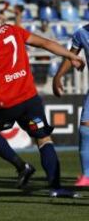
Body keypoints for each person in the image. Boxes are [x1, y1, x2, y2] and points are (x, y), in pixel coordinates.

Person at [0, 0, 84, 197]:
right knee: (44, 139)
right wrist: (72, 56)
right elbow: (46, 43)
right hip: (30, 99)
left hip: (6, 103)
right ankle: (56, 188)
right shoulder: (14, 30)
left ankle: (21, 166)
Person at [53, 24, 89, 186]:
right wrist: (58, 76)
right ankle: (87, 176)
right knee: (85, 129)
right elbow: (71, 55)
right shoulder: (81, 33)